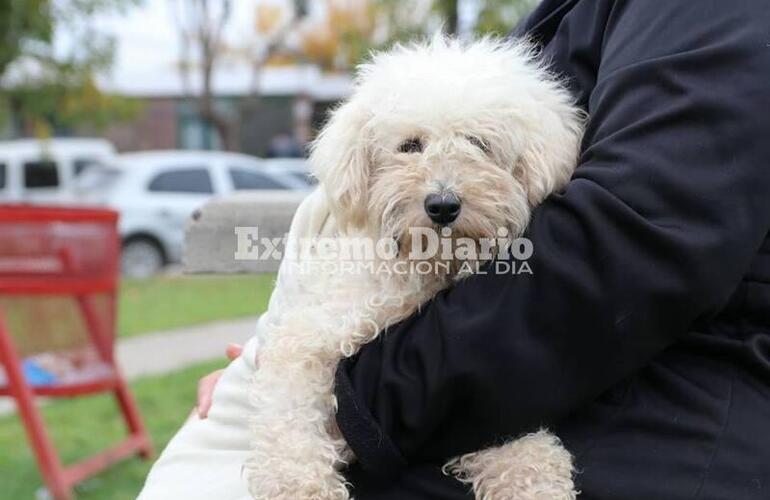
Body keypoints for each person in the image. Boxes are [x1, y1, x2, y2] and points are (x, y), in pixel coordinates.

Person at [197, 0, 770, 498]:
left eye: (477, 145)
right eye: (410, 147)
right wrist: (268, 370)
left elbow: (637, 238)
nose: (441, 185)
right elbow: (307, 352)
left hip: (681, 413)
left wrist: (354, 397)